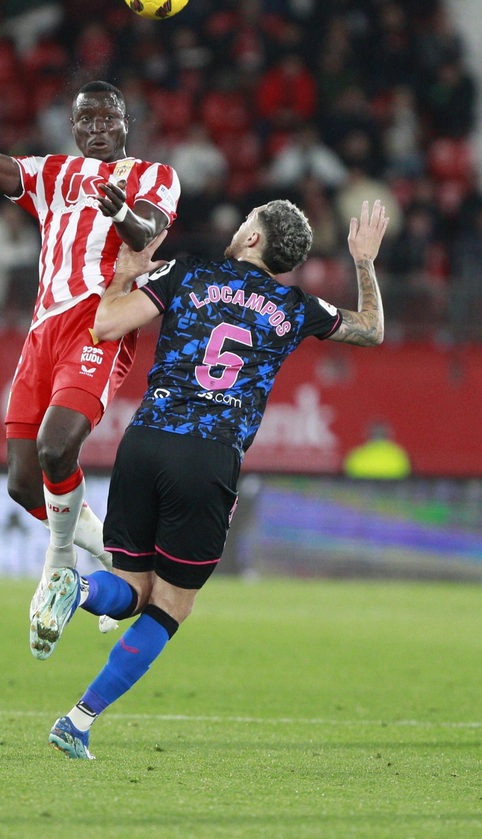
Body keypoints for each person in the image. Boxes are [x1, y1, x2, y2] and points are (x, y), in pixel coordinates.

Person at [33, 199, 390, 758]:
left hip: (145, 439)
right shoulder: (297, 307)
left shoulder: (187, 271)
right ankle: (78, 718)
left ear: (254, 241)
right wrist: (363, 262)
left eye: (247, 221)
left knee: (131, 589)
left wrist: (125, 274)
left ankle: (78, 590)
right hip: (208, 457)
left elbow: (104, 325)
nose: (239, 225)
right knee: (170, 605)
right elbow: (371, 330)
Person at [0, 71, 179, 642]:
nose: (97, 128)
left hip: (99, 327)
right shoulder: (52, 173)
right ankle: (120, 558)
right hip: (42, 331)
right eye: (86, 120)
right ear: (72, 127)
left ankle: (59, 568)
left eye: (108, 118)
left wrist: (119, 212)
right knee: (24, 483)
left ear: (126, 123)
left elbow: (148, 233)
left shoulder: (152, 176)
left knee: (55, 445)